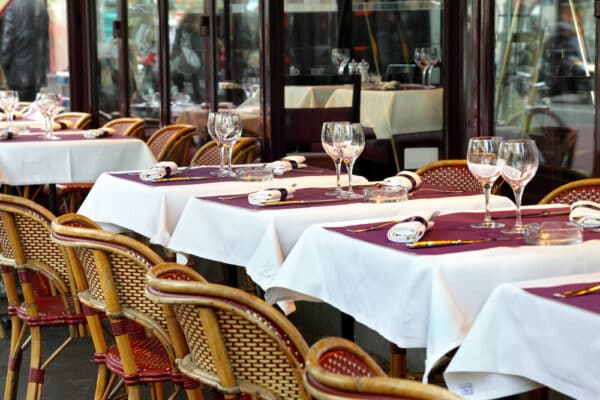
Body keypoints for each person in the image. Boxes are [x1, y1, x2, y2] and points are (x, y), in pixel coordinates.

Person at [0, 0, 49, 101]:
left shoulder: (12, 5)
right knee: (32, 111)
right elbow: (45, 38)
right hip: (37, 73)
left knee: (18, 110)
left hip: (17, 73)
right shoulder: (40, 3)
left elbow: (8, 42)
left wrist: (4, 67)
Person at [171, 13, 204, 103]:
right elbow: (202, 47)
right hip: (196, 66)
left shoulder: (180, 29)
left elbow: (175, 47)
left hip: (181, 65)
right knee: (197, 91)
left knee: (183, 90)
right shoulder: (197, 30)